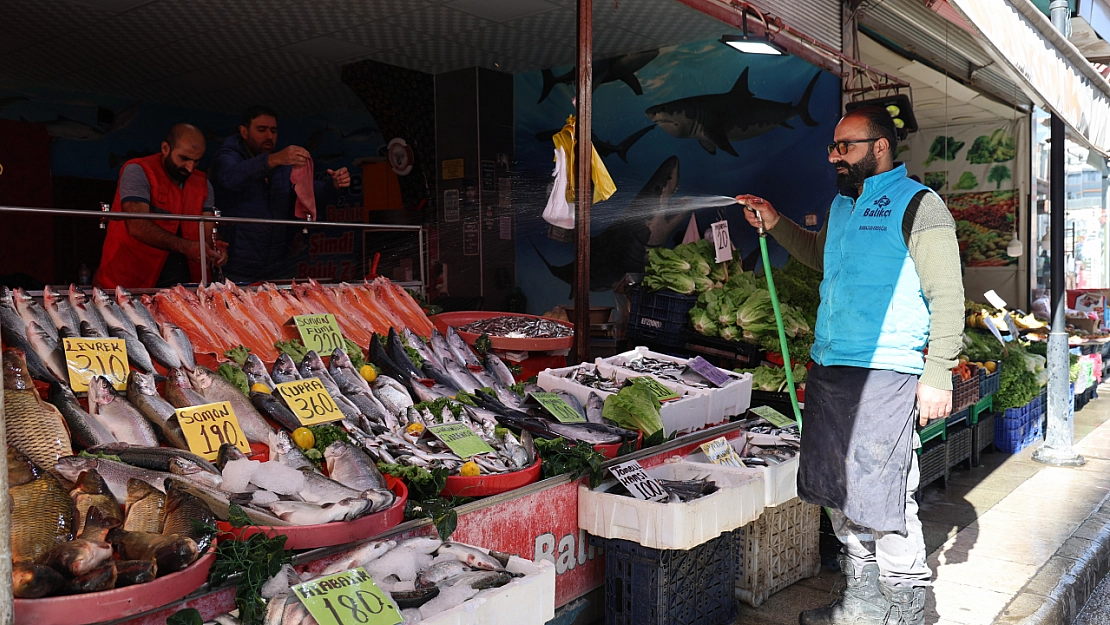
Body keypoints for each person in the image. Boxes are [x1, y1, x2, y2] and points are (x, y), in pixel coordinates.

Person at [738, 106, 964, 625]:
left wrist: (938, 373)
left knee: (884, 493)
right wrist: (775, 223)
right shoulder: (843, 205)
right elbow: (821, 256)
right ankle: (861, 602)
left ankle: (905, 608)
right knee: (837, 489)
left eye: (846, 147)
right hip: (830, 367)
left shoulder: (919, 205)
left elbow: (948, 295)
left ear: (880, 147)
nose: (836, 156)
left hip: (886, 372)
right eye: (833, 148)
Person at [208, 105, 351, 283]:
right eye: (261, 130)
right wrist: (273, 160)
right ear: (244, 132)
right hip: (237, 267)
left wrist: (334, 185)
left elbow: (307, 193)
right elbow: (230, 177)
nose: (269, 136)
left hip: (277, 266)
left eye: (273, 131)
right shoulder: (227, 156)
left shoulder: (280, 165)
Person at [94, 124, 227, 289]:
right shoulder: (137, 171)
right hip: (130, 281)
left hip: (184, 284)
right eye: (184, 158)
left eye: (197, 161)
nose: (190, 168)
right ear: (165, 148)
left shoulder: (203, 184)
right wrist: (186, 247)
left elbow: (208, 230)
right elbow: (137, 226)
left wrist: (217, 247)